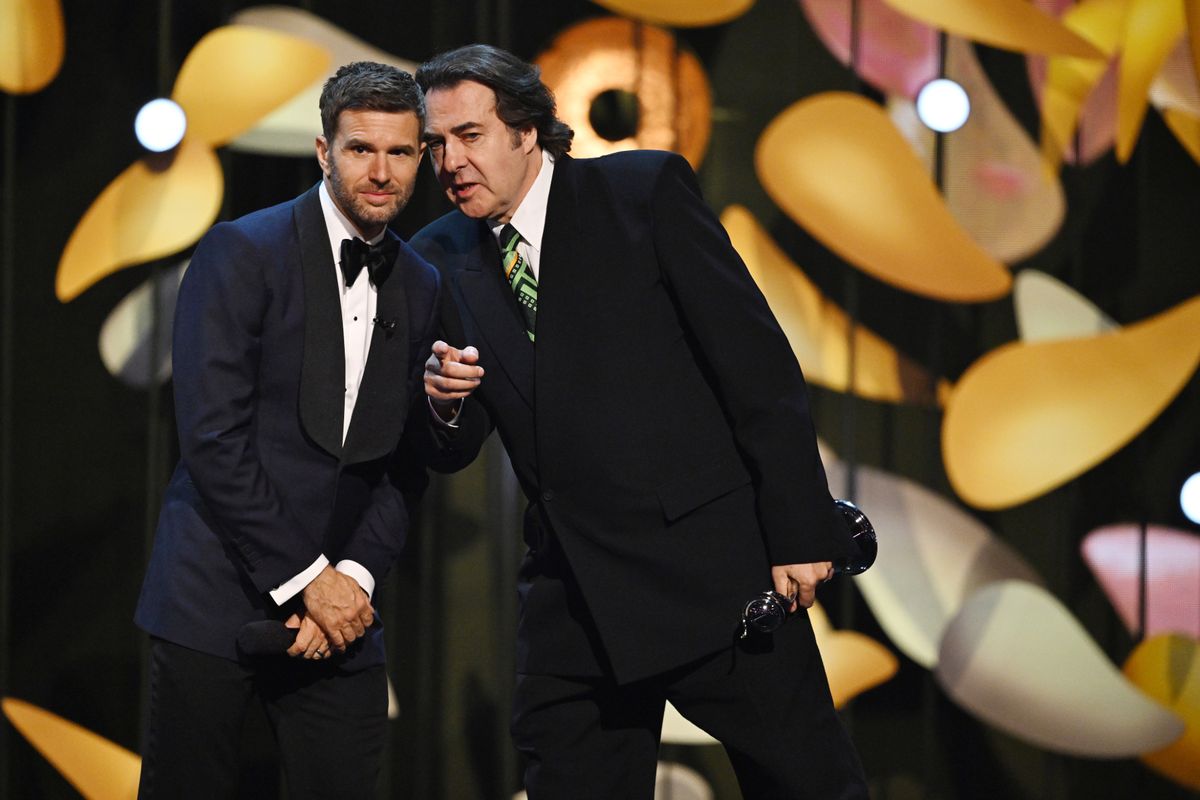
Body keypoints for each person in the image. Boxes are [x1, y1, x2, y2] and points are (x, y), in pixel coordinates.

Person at [413, 44, 868, 799]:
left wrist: (800, 534)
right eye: (435, 144)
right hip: (573, 599)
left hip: (713, 573)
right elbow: (455, 447)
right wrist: (442, 400)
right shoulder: (438, 255)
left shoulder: (641, 192)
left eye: (469, 135)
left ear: (526, 131)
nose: (449, 160)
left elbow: (757, 371)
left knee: (806, 782)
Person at [134, 61, 438, 798]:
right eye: (361, 149)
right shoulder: (244, 250)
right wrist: (309, 581)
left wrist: (354, 581)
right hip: (217, 594)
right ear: (323, 151)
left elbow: (405, 460)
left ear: (421, 158)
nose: (380, 171)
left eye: (400, 153)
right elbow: (213, 439)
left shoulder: (423, 282)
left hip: (342, 619)